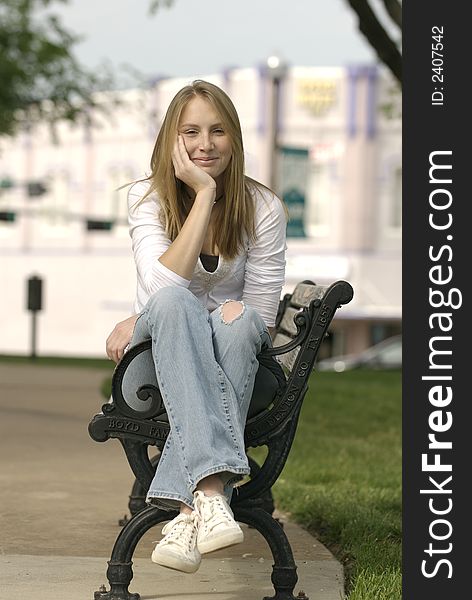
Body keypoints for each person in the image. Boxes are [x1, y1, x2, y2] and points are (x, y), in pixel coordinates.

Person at [106, 80, 287, 574]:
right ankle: (210, 493)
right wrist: (204, 194)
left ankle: (188, 514)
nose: (205, 144)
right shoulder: (146, 198)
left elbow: (262, 317)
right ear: (172, 139)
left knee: (239, 322)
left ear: (235, 139)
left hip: (235, 352)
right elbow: (164, 284)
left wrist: (227, 318)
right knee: (173, 303)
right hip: (157, 362)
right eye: (191, 132)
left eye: (217, 131)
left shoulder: (263, 207)